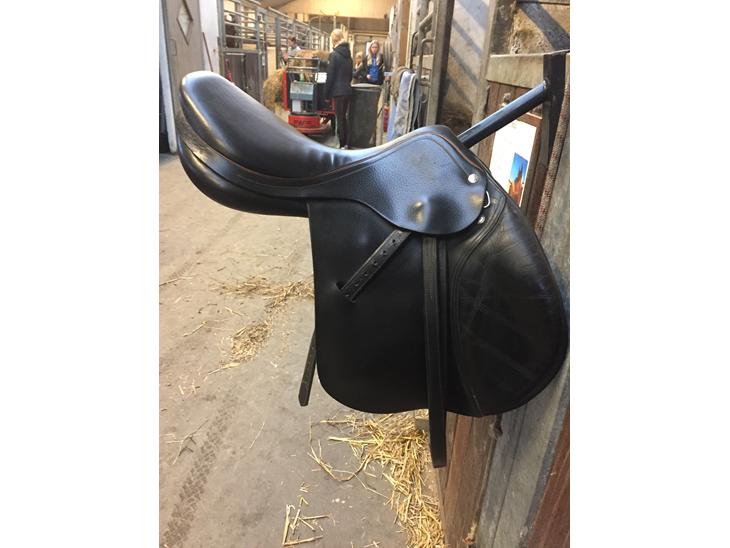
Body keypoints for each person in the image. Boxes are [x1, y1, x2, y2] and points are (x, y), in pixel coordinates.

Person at [324, 29, 353, 149]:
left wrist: (326, 94)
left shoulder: (334, 55)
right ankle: (346, 143)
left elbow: (330, 76)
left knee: (339, 119)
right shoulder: (349, 56)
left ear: (333, 40)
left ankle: (342, 144)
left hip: (338, 91)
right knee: (344, 118)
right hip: (347, 90)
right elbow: (350, 75)